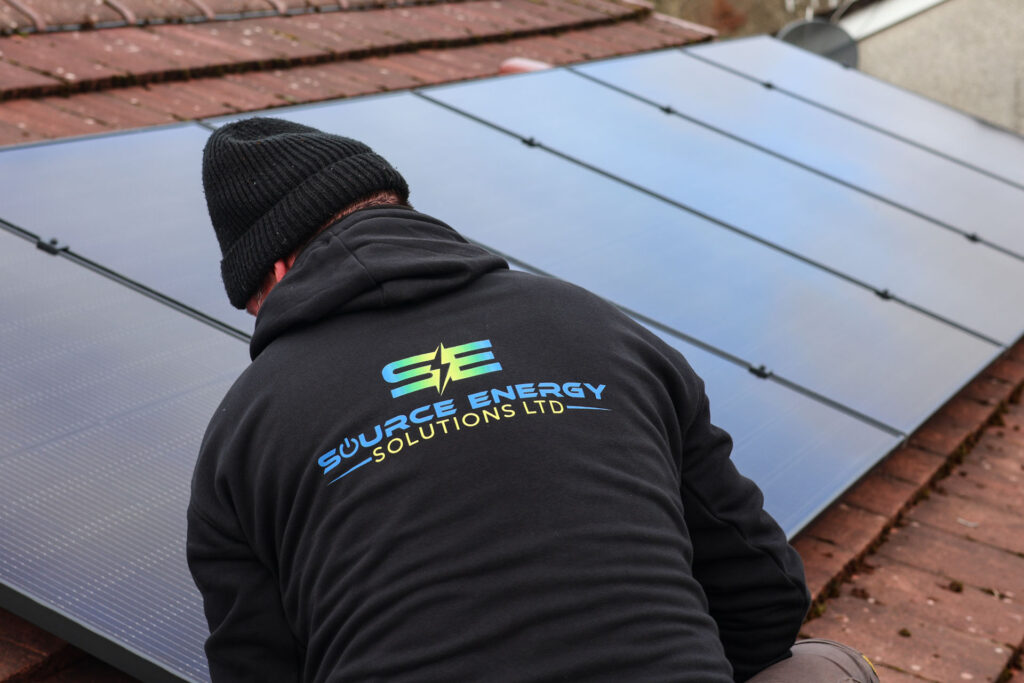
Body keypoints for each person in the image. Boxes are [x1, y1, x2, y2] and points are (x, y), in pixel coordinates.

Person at [187, 117, 879, 683]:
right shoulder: (598, 326)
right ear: (392, 205)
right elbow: (763, 593)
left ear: (274, 270)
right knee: (824, 668)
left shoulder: (241, 433)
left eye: (253, 303)